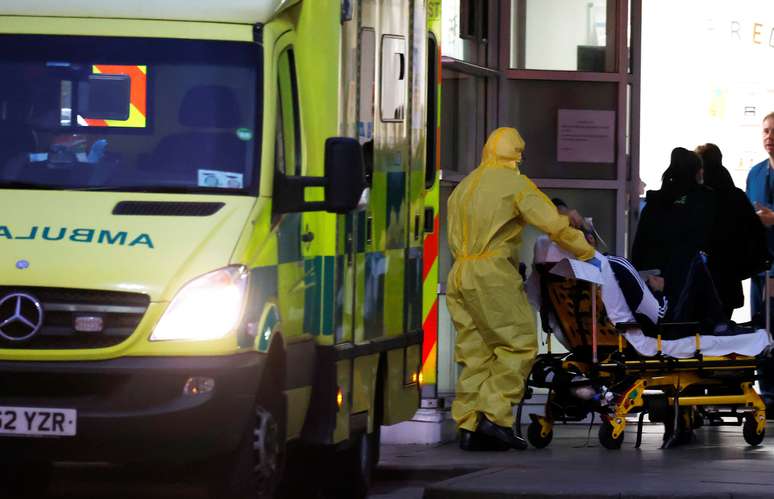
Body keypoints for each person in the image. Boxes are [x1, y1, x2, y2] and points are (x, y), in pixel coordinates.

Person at [446, 127, 596, 451]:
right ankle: (494, 418)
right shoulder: (515, 184)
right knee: (520, 345)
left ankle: (469, 426)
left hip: (460, 273)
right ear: (516, 154)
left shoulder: (464, 186)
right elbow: (553, 224)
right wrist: (587, 252)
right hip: (493, 273)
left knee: (476, 352)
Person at [631, 147, 722, 328]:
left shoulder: (655, 202)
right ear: (697, 172)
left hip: (651, 276)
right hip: (680, 277)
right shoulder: (702, 201)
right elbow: (705, 241)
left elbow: (640, 244)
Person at [696, 143, 768, 319]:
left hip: (703, 280)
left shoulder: (699, 197)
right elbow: (754, 235)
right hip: (729, 281)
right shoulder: (735, 195)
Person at [746, 111, 774, 411]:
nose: (770, 137)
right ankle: (767, 393)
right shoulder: (755, 173)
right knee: (760, 329)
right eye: (766, 131)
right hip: (760, 268)